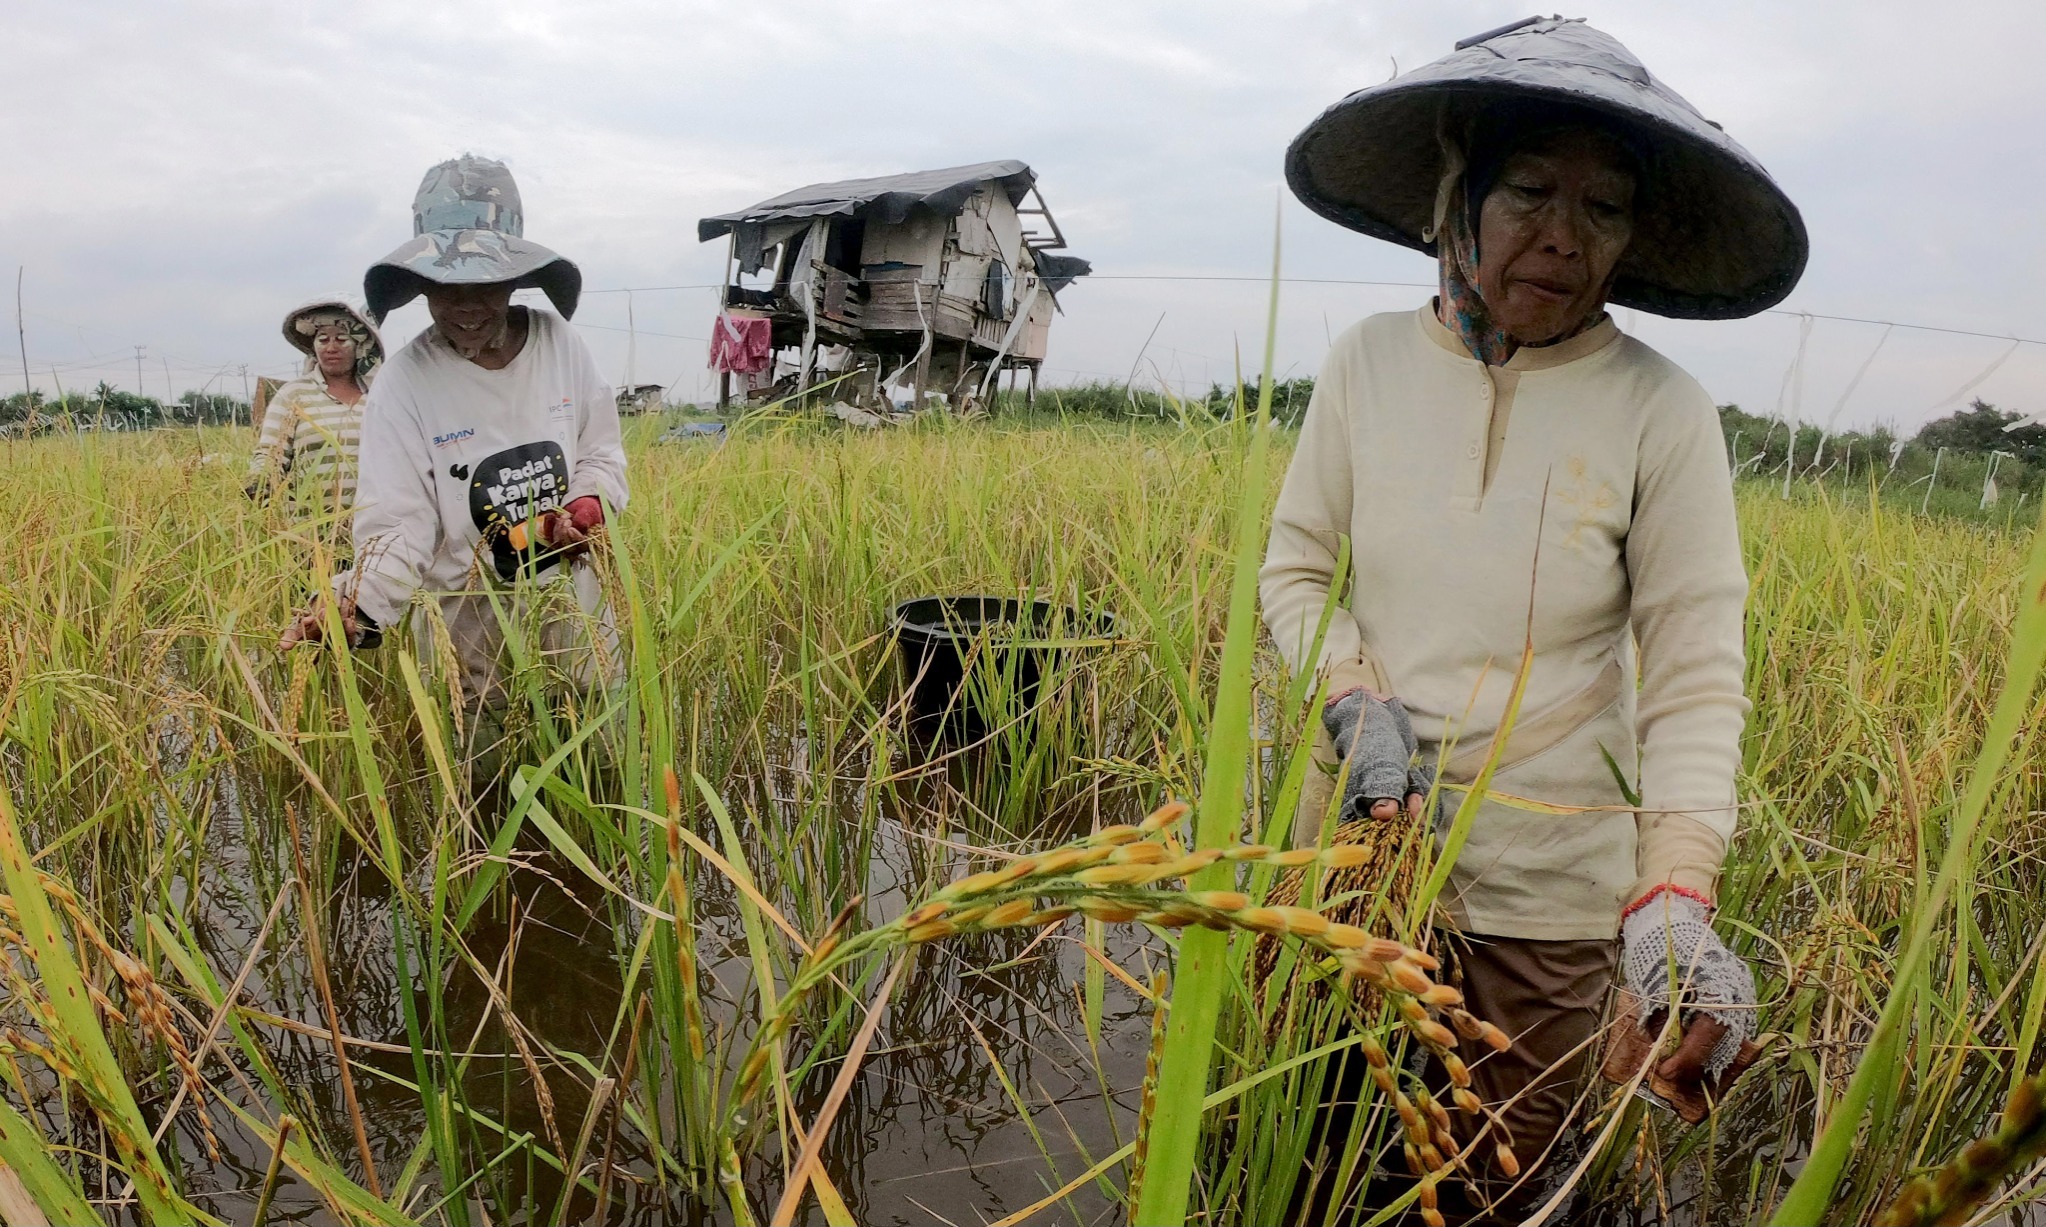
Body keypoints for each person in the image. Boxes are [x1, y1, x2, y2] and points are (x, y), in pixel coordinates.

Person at [1264, 17, 1805, 1222]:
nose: (1565, 237)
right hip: (1356, 862)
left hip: (1544, 902)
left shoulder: (1661, 414)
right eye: (1527, 192)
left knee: (1483, 1192)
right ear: (1455, 198)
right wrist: (1351, 698)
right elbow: (1295, 574)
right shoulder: (1363, 367)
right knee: (1301, 1157)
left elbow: (1694, 674)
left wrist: (1673, 896)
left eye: (1606, 207)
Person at [280, 155, 626, 747]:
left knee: (597, 764)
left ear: (516, 276)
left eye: (485, 283)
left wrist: (588, 506)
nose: (466, 305)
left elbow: (600, 452)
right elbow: (397, 523)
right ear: (420, 284)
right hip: (467, 621)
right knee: (485, 784)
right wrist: (357, 606)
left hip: (574, 604)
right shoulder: (405, 382)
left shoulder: (561, 346)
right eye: (445, 285)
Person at [246, 297, 383, 536]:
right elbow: (271, 452)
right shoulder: (294, 394)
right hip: (310, 534)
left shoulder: (380, 396)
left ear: (360, 346)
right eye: (323, 340)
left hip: (373, 531)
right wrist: (260, 481)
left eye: (342, 339)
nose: (331, 348)